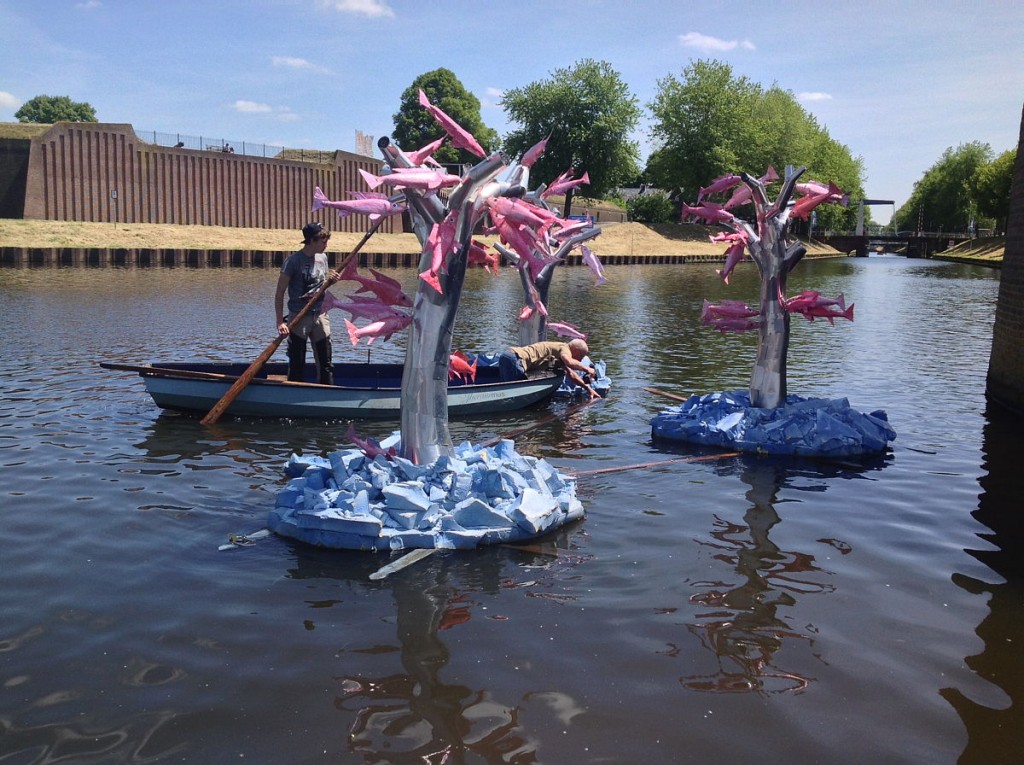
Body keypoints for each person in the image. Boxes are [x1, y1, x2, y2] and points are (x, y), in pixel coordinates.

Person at [274, 222, 337, 385]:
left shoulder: (323, 258)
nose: (326, 245)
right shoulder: (293, 262)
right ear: (311, 241)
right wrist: (280, 322)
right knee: (297, 364)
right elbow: (279, 293)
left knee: (326, 364)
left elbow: (322, 284)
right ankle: (294, 397)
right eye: (323, 241)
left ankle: (326, 395)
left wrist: (331, 281)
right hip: (299, 317)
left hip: (321, 315)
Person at [499, 339, 601, 400]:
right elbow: (568, 361)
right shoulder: (565, 349)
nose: (580, 359)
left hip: (507, 355)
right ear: (576, 350)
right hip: (515, 359)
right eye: (581, 356)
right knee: (515, 397)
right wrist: (587, 369)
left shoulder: (559, 353)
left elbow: (572, 374)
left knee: (506, 392)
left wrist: (588, 389)